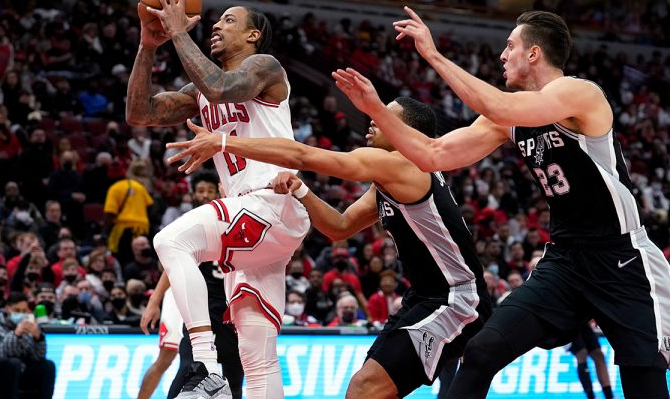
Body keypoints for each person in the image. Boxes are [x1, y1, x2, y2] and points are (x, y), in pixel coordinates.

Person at [332, 7, 670, 399]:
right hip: (565, 262)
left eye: (510, 46)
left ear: (533, 53)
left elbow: (500, 106)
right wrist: (376, 109)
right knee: (482, 350)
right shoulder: (507, 118)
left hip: (623, 260)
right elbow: (432, 154)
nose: (502, 55)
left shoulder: (579, 93)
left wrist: (433, 55)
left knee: (644, 386)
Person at [166, 96, 491, 398]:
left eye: (384, 117)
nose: (373, 120)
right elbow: (340, 227)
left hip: (456, 298)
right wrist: (301, 191)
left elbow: (303, 156)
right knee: (366, 390)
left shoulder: (404, 165)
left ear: (407, 133)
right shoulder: (389, 180)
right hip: (425, 297)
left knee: (364, 389)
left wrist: (223, 142)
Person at [127, 0, 310, 398]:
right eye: (217, 21)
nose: (215, 26)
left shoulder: (265, 67)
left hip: (271, 201)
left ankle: (206, 367)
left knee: (171, 240)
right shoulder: (200, 92)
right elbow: (140, 113)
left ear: (253, 35)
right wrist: (148, 46)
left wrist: (178, 31)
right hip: (254, 223)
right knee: (257, 355)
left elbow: (222, 88)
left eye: (228, 21)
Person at [139, 171, 243, 399]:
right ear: (193, 194)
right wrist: (154, 300)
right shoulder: (189, 221)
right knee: (177, 362)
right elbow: (170, 265)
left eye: (210, 191)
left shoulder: (235, 215)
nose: (205, 195)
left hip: (229, 306)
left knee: (233, 376)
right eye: (200, 191)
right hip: (192, 301)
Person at [0, 292, 56, 399]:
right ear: (7, 309)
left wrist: (38, 339)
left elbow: (37, 357)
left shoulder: (28, 324)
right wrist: (15, 335)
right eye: (17, 310)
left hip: (22, 370)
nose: (21, 314)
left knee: (48, 366)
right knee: (14, 363)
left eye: (24, 311)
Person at [567, 324, 616, 399]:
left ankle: (609, 396)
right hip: (565, 323)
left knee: (598, 354)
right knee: (581, 353)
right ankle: (591, 396)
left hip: (581, 322)